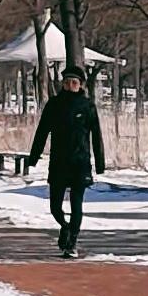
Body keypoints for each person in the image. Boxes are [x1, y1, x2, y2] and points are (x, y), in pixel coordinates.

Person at [26, 66, 108, 256]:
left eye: (74, 82)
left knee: (76, 203)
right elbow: (42, 132)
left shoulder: (88, 106)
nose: (70, 85)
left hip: (80, 162)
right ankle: (64, 226)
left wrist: (100, 163)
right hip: (59, 162)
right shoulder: (54, 104)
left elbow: (96, 136)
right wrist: (34, 157)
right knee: (55, 206)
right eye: (67, 82)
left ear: (81, 85)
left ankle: (72, 242)